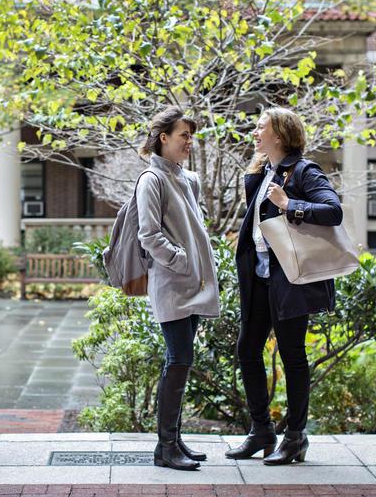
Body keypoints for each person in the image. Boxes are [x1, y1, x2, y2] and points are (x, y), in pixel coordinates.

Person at [225, 107, 343, 465]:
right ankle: (261, 429)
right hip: (259, 280)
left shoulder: (305, 171)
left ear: (279, 134)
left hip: (289, 280)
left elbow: (333, 211)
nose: (255, 132)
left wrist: (290, 204)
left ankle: (295, 437)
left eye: (261, 127)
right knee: (247, 350)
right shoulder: (261, 173)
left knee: (292, 356)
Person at [136, 107, 220, 471]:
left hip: (195, 284)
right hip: (172, 284)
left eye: (191, 135)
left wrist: (197, 265)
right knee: (179, 359)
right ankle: (165, 447)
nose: (189, 141)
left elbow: (195, 227)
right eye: (183, 135)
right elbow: (149, 235)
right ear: (163, 137)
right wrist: (183, 261)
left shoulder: (190, 179)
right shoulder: (150, 180)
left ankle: (174, 441)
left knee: (180, 362)